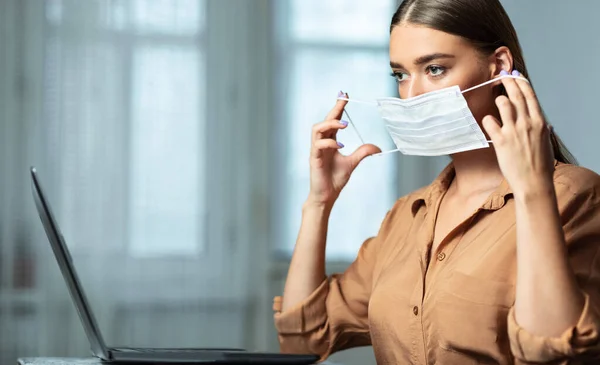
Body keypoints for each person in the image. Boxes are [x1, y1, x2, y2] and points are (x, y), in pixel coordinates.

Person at [272, 0, 600, 364]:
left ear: (500, 66)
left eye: (435, 68)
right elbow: (303, 344)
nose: (411, 96)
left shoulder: (577, 197)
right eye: (400, 75)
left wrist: (532, 191)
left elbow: (556, 354)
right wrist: (318, 203)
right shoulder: (405, 217)